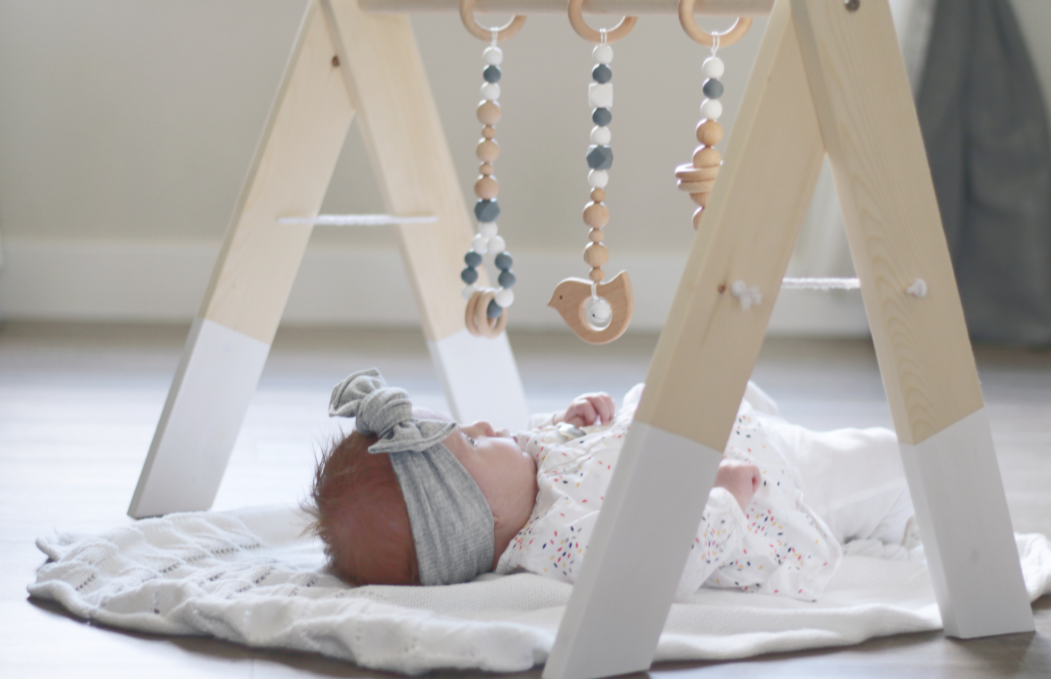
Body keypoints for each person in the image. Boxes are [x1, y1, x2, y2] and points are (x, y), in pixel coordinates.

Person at [308, 369, 915, 601]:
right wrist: (725, 497)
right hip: (771, 485)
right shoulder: (559, 540)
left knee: (655, 391)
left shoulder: (529, 464)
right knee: (889, 459)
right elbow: (659, 563)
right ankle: (906, 510)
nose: (486, 426)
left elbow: (554, 443)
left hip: (718, 430)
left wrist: (573, 419)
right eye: (470, 442)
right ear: (481, 517)